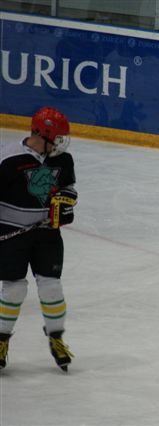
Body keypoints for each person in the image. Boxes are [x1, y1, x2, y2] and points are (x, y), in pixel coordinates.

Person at [0, 106, 77, 371]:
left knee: (51, 287)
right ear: (43, 134)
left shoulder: (63, 160)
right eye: (57, 137)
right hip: (12, 232)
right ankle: (1, 340)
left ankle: (56, 339)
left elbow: (68, 188)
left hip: (47, 233)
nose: (61, 143)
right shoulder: (9, 159)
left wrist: (66, 206)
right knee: (14, 288)